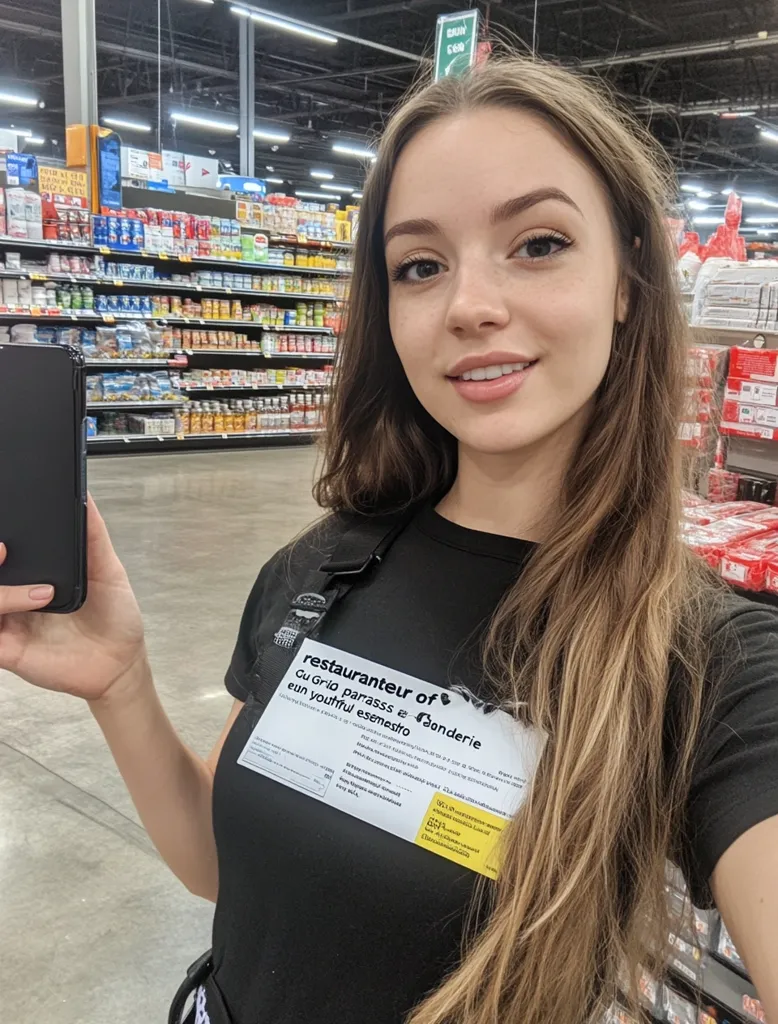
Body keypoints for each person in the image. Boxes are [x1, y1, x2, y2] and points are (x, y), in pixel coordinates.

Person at [1, 54, 777, 1024]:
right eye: (420, 264)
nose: (468, 304)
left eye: (537, 243)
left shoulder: (707, 656)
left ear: (626, 278)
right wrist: (122, 685)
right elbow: (218, 861)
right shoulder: (322, 565)